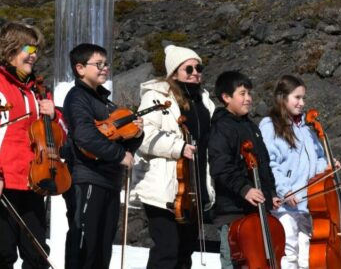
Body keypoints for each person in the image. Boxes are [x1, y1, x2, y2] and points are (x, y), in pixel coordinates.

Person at [0, 22, 60, 269]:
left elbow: (58, 138)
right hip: (0, 179)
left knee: (37, 254)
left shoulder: (35, 89)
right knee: (3, 251)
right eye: (29, 47)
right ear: (10, 48)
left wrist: (54, 117)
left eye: (37, 49)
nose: (34, 54)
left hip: (32, 179)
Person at [130, 45, 216, 269]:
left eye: (199, 67)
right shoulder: (156, 97)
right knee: (167, 249)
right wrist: (178, 147)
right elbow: (145, 134)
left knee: (185, 251)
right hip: (164, 186)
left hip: (194, 184)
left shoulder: (205, 101)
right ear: (174, 72)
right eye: (189, 69)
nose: (196, 72)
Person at [63, 43, 144, 269]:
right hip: (88, 177)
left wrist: (137, 131)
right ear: (80, 68)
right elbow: (85, 136)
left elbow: (124, 139)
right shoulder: (78, 96)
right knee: (84, 244)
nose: (105, 68)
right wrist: (120, 156)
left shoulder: (105, 102)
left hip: (109, 180)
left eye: (106, 64)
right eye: (98, 64)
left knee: (102, 247)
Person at [208, 70, 281, 269]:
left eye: (249, 93)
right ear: (226, 97)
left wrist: (270, 193)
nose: (248, 99)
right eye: (242, 94)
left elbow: (263, 164)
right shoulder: (222, 127)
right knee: (236, 262)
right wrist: (244, 188)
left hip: (256, 210)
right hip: (233, 212)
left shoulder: (251, 126)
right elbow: (220, 167)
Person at [258, 75, 327, 269]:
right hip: (285, 204)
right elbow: (269, 163)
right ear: (283, 97)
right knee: (289, 253)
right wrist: (284, 190)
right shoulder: (269, 126)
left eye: (303, 98)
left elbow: (319, 158)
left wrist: (328, 167)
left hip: (308, 202)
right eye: (297, 97)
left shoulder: (306, 128)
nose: (302, 103)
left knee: (307, 256)